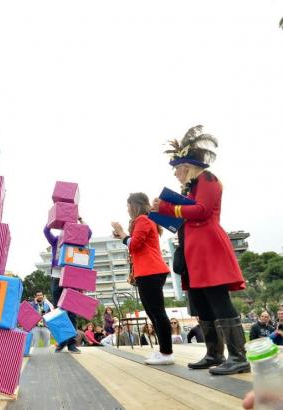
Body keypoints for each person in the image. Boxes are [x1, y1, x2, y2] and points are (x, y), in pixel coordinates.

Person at [153, 125, 248, 375]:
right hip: (193, 250)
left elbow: (203, 210)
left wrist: (170, 209)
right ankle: (214, 353)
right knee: (202, 303)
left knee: (218, 299)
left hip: (208, 247)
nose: (175, 173)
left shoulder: (208, 178)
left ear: (188, 165)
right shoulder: (191, 188)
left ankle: (238, 356)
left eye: (177, 168)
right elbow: (188, 215)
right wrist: (162, 212)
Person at [112, 192, 174, 365]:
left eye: (128, 205)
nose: (127, 209)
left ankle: (167, 352)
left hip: (150, 271)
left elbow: (135, 244)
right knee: (153, 312)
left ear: (134, 205)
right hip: (148, 271)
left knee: (157, 313)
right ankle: (163, 350)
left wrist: (122, 233)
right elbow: (136, 243)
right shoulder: (146, 221)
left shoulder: (143, 220)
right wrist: (124, 236)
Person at [43, 221, 91, 354]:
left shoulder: (75, 241)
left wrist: (81, 219)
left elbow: (89, 233)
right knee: (59, 310)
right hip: (56, 277)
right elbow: (46, 231)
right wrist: (55, 218)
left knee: (72, 311)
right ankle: (62, 341)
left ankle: (71, 344)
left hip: (71, 277)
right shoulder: (56, 240)